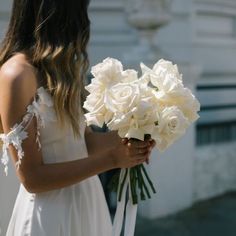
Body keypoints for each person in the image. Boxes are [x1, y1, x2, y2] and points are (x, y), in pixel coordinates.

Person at [0, 1, 156, 235]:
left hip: (86, 201)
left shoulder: (61, 69)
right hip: (50, 214)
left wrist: (129, 137)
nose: (85, 21)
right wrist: (112, 160)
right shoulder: (17, 75)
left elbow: (84, 143)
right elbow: (32, 178)